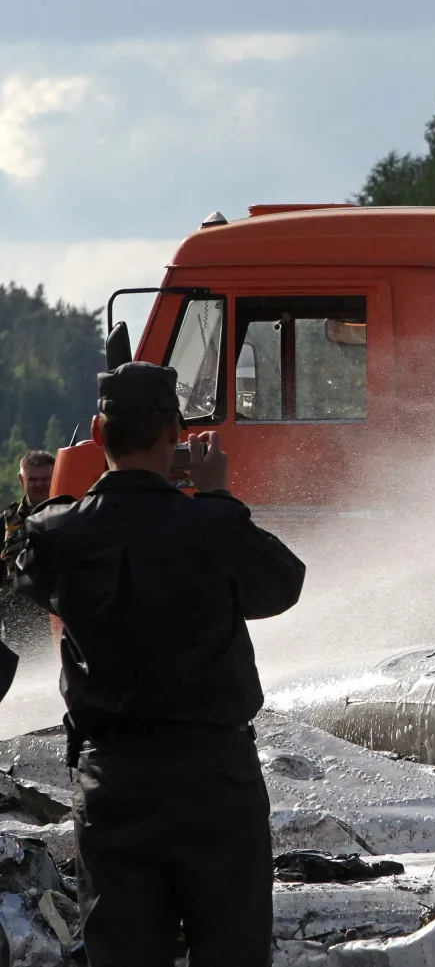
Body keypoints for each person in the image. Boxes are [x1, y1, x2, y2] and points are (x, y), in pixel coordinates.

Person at [13, 362, 305, 966]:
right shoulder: (212, 524)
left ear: (97, 432)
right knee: (231, 950)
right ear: (176, 430)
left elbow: (33, 570)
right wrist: (217, 495)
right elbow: (281, 586)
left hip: (113, 779)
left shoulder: (59, 534)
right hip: (215, 777)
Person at [1, 449, 54, 580]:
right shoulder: (8, 518)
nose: (39, 484)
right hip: (13, 596)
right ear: (21, 479)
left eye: (45, 479)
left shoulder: (70, 514)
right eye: (32, 479)